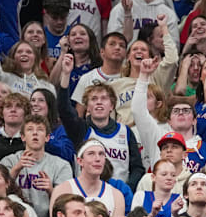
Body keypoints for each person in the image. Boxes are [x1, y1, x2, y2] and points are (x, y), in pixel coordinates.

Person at [58, 54, 145, 190]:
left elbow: (137, 168)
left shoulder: (125, 132)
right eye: (93, 99)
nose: (99, 102)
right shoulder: (81, 129)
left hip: (119, 195)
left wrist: (126, 189)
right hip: (86, 195)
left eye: (104, 98)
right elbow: (64, 110)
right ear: (88, 106)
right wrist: (65, 75)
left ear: (112, 106)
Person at [1, 115, 73, 217]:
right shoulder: (9, 161)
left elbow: (67, 204)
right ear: (23, 137)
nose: (35, 133)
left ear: (47, 137)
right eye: (30, 129)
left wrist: (51, 190)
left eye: (40, 130)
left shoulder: (61, 165)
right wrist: (16, 169)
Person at [50, 139, 126, 217]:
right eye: (91, 154)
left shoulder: (116, 196)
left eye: (101, 154)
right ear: (80, 161)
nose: (97, 159)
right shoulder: (62, 191)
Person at [0, 92, 30, 161]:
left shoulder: (32, 144)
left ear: (26, 113)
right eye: (8, 106)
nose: (13, 110)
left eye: (18, 106)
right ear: (2, 113)